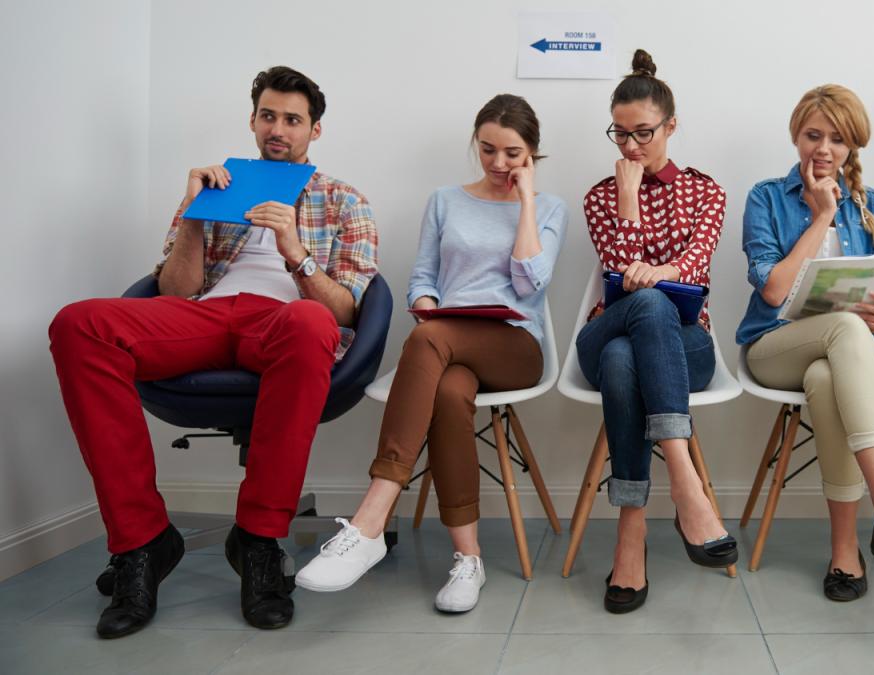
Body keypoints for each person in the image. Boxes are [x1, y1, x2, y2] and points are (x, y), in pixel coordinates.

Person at [48, 66, 379, 637]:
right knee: (78, 324)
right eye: (268, 116)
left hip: (284, 321)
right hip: (204, 315)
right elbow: (174, 290)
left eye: (292, 120)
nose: (278, 129)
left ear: (314, 131)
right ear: (252, 120)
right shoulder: (216, 185)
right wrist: (194, 214)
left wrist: (295, 251)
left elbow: (345, 312)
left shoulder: (344, 199)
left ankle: (257, 539)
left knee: (307, 323)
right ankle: (143, 541)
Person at [295, 94, 566, 614]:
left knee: (427, 339)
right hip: (447, 346)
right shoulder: (445, 200)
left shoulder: (551, 208)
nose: (498, 163)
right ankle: (469, 560)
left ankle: (370, 518)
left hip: (514, 345)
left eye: (512, 153)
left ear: (532, 153)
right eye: (487, 150)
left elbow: (532, 282)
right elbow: (423, 278)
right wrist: (425, 304)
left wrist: (526, 202)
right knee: (446, 388)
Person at [736, 85, 874, 601]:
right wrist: (820, 217)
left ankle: (845, 550)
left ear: (853, 145)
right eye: (813, 135)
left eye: (837, 139)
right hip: (776, 347)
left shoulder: (871, 202)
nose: (824, 148)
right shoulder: (766, 196)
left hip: (854, 354)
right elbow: (772, 291)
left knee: (827, 374)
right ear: (796, 134)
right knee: (844, 328)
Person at [578, 49, 735, 614]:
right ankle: (686, 484)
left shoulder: (707, 191)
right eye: (619, 134)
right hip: (604, 331)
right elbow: (617, 279)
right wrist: (627, 200)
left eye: (642, 133)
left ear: (671, 124)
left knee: (628, 357)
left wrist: (663, 272)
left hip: (686, 343)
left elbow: (696, 266)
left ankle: (631, 534)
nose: (630, 146)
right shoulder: (600, 195)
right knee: (640, 306)